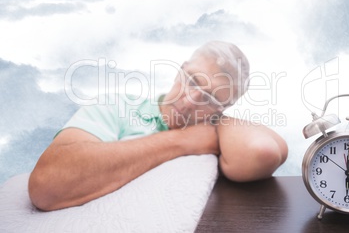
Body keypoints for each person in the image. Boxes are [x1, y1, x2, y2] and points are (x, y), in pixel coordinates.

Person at [28, 41, 288, 211]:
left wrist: (218, 122)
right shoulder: (117, 108)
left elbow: (261, 152)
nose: (189, 100)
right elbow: (46, 185)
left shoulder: (222, 132)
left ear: (224, 107)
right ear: (180, 70)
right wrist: (182, 141)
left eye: (210, 98)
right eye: (193, 81)